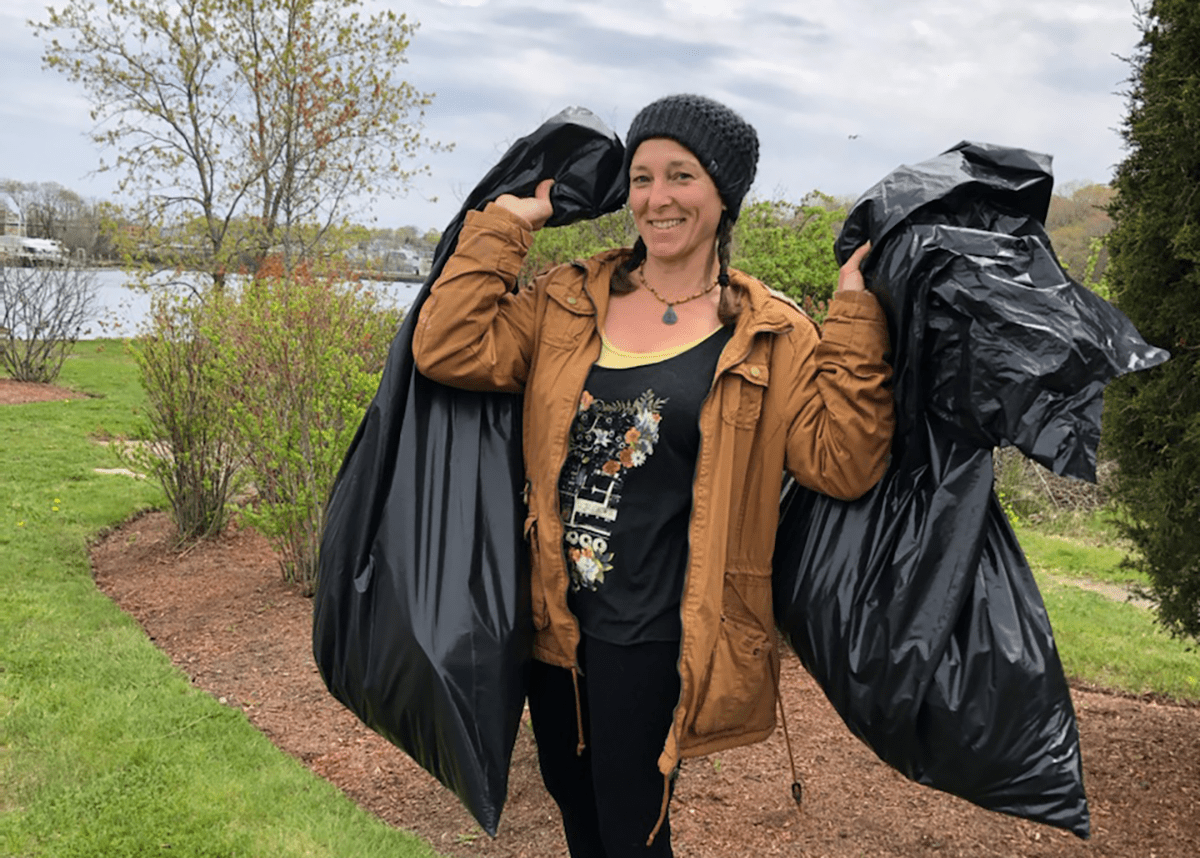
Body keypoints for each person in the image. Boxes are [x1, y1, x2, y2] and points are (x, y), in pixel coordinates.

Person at [412, 93, 894, 857]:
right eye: (641, 177)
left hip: (655, 632)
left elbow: (844, 460)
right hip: (553, 622)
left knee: (631, 825)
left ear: (722, 194)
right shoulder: (569, 300)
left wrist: (854, 318)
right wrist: (506, 226)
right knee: (577, 807)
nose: (657, 199)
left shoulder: (767, 334)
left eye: (681, 176)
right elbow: (446, 346)